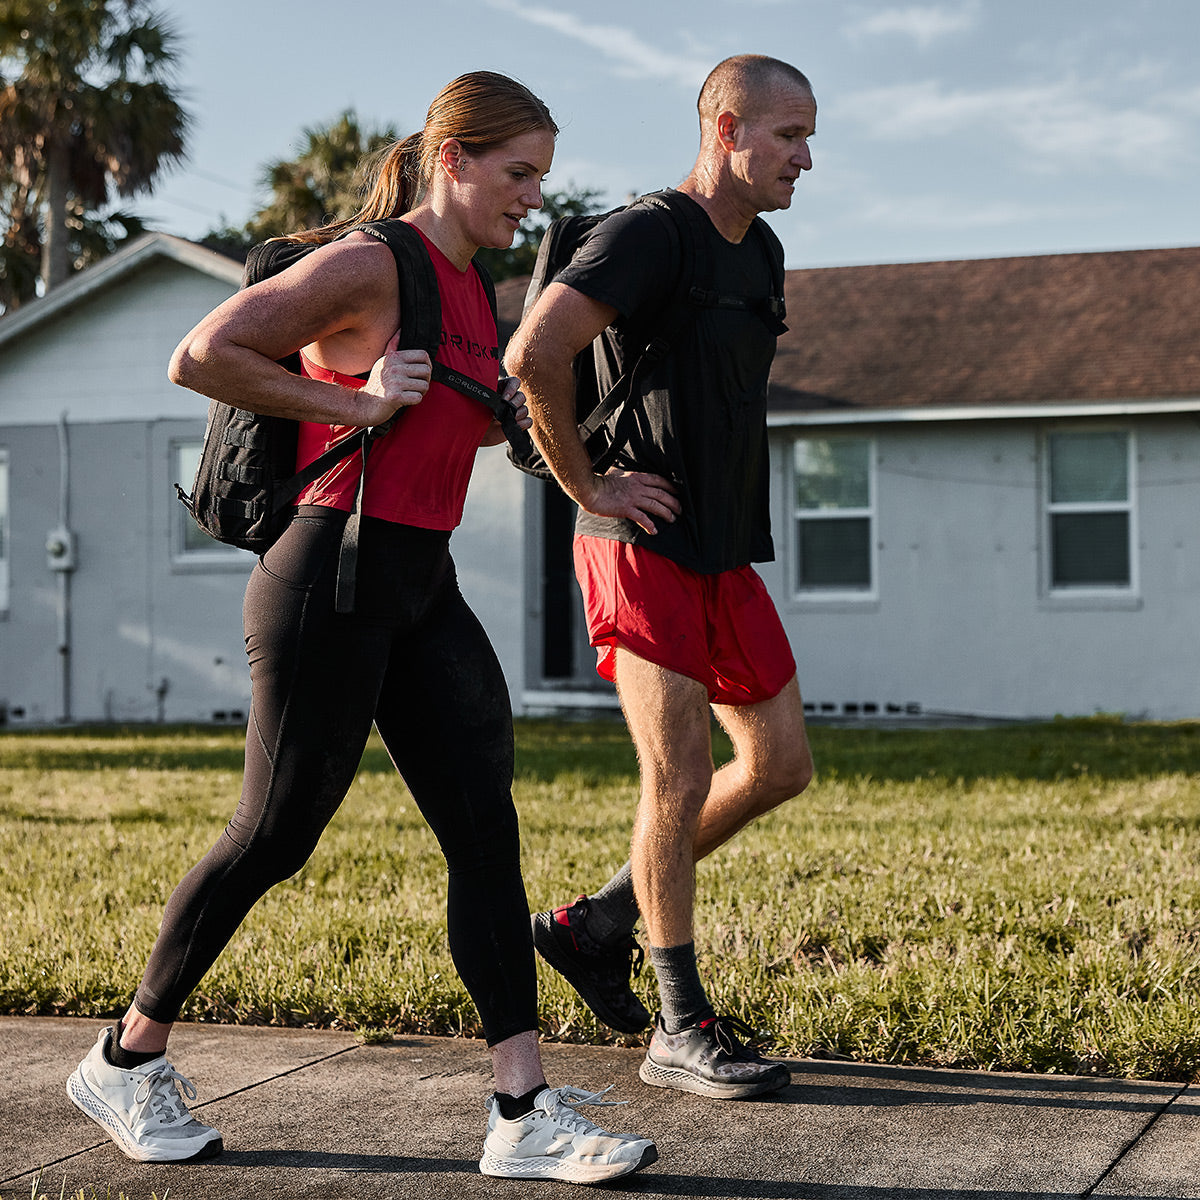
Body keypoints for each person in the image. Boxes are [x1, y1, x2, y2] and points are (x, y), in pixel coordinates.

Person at [66, 71, 656, 1185]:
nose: (532, 195)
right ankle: (124, 1057)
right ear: (454, 158)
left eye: (541, 175)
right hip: (326, 575)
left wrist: (587, 476)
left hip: (419, 581)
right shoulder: (372, 262)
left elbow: (460, 425)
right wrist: (356, 402)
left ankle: (520, 1110)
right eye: (517, 172)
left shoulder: (476, 292)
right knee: (274, 835)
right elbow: (202, 353)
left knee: (486, 828)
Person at [505, 54, 816, 1101]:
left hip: (723, 546)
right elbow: (535, 355)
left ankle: (597, 923)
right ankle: (682, 1026)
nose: (805, 159)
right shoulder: (647, 233)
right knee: (677, 780)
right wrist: (588, 487)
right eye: (789, 137)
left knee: (779, 764)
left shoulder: (761, 252)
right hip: (638, 545)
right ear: (728, 129)